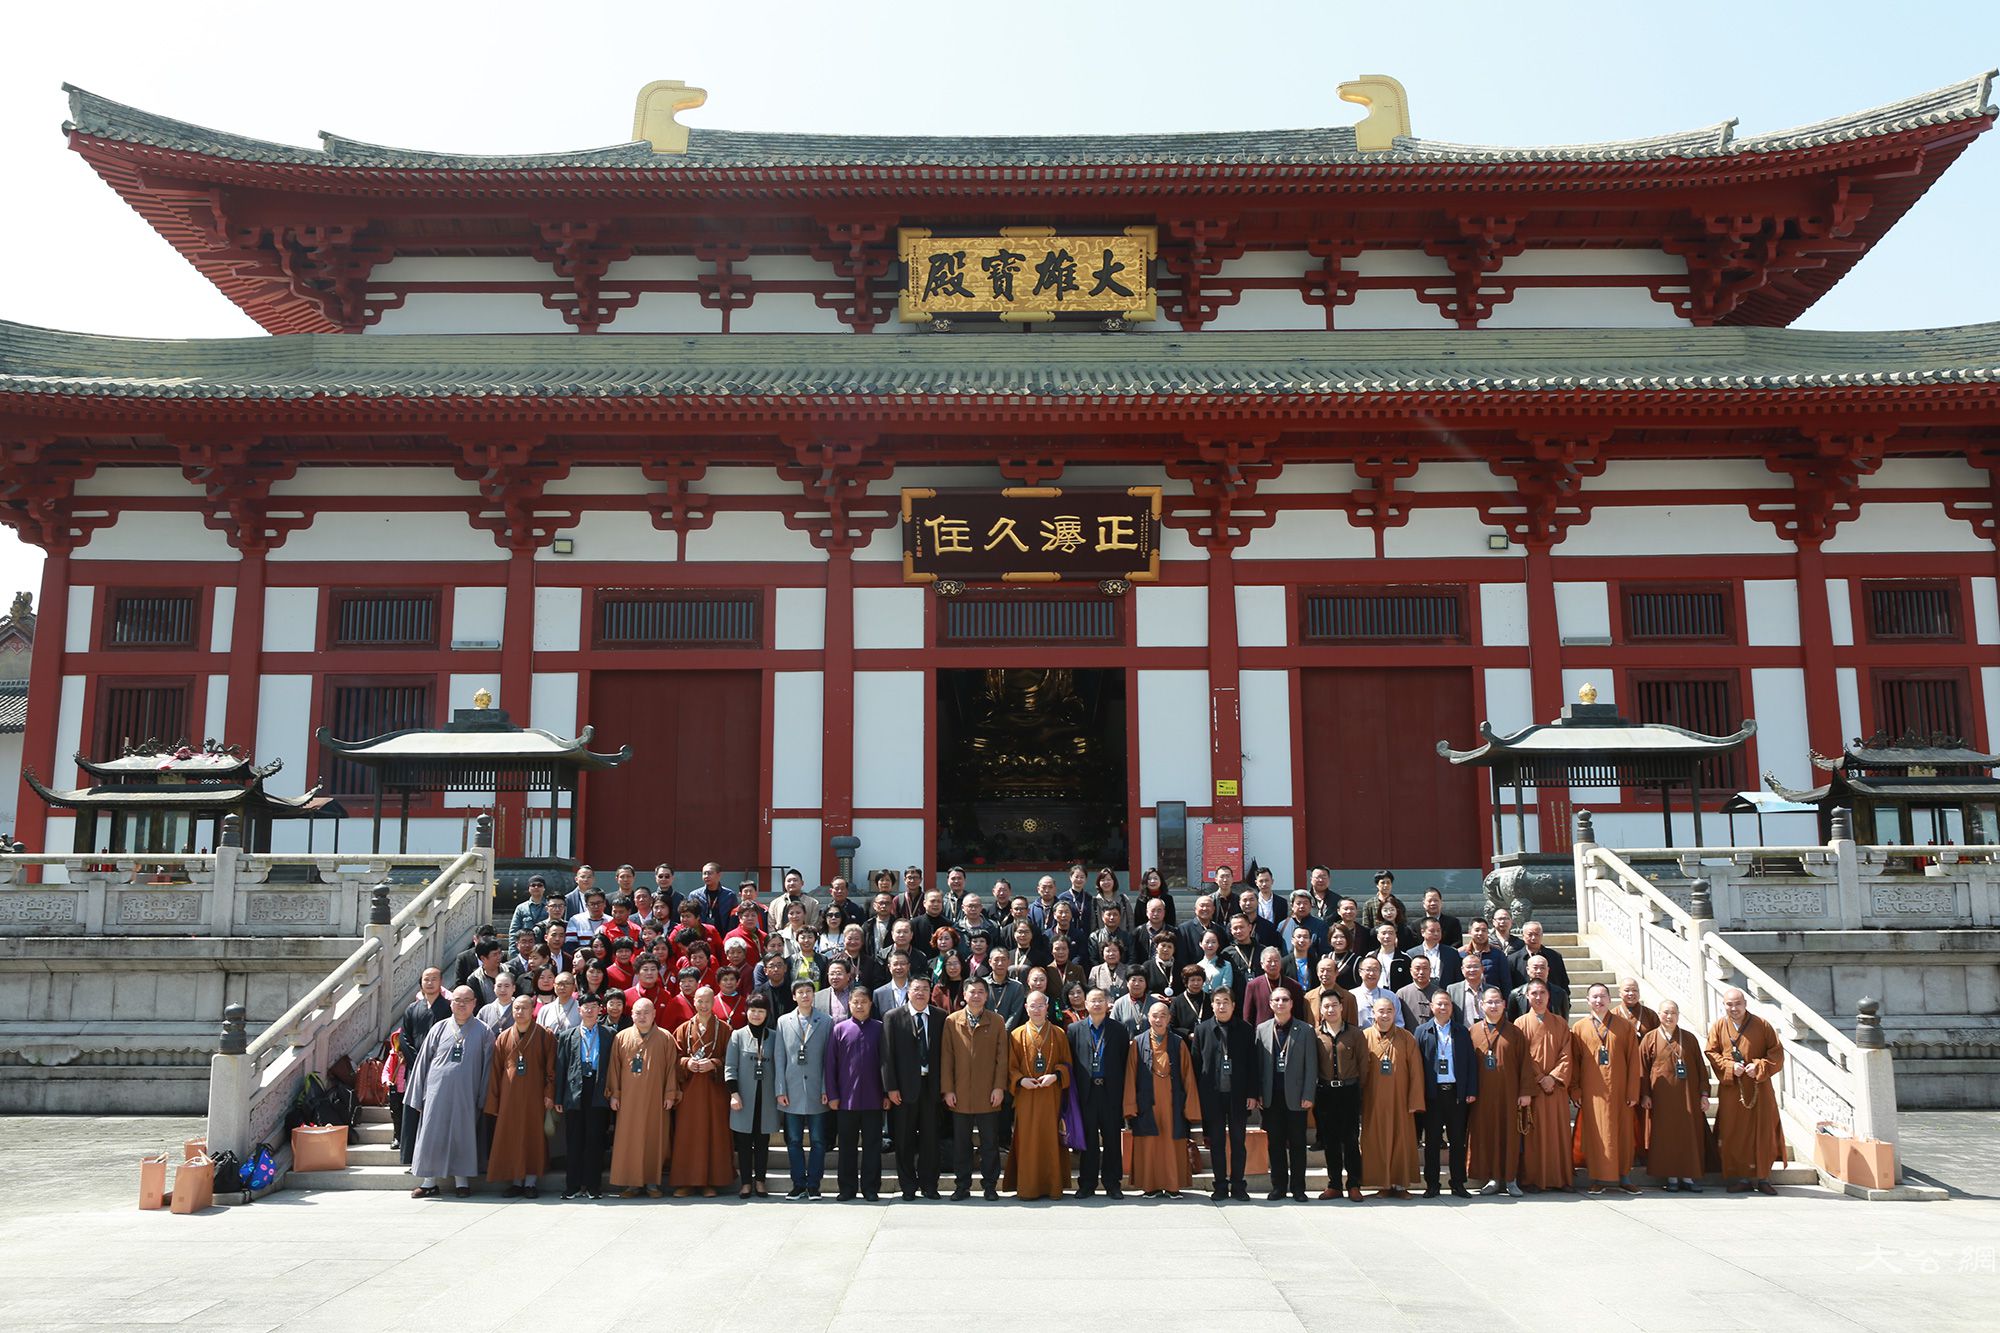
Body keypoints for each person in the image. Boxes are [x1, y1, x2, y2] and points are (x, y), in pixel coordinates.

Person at [405, 986, 493, 1199]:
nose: (461, 1004)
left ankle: (462, 1181)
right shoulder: (439, 1028)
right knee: (431, 1134)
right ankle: (428, 1182)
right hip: (437, 1093)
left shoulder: (484, 1031)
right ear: (451, 1003)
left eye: (466, 1000)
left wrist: (483, 1096)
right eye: (457, 1000)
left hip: (467, 1092)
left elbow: (488, 1067)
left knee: (463, 1134)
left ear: (474, 1003)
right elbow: (422, 1062)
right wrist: (418, 1094)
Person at [1707, 987, 1786, 1194]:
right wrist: (1730, 1067)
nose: (1734, 1008)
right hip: (1733, 1089)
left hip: (1759, 1086)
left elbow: (1777, 1054)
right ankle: (1741, 1177)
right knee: (1736, 1132)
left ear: (1745, 1004)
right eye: (1729, 1004)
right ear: (1724, 1005)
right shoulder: (1719, 1027)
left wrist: (1759, 1067)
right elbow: (1711, 1052)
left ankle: (1763, 1177)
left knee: (1764, 1130)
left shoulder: (1762, 1025)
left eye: (1737, 1004)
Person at [941, 974, 1009, 1200]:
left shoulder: (996, 1021)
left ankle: (990, 1186)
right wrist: (948, 1089)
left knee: (990, 1143)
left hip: (988, 1093)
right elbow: (947, 1058)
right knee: (962, 1144)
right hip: (959, 1094)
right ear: (965, 995)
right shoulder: (952, 1021)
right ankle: (962, 1186)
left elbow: (1002, 1058)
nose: (976, 996)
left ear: (987, 995)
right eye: (972, 992)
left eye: (981, 992)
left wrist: (999, 1087)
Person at [605, 997, 680, 1198]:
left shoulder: (665, 1038)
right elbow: (614, 1069)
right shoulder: (621, 1037)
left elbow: (672, 1068)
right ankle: (631, 1184)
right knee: (629, 1139)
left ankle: (651, 1183)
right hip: (628, 1101)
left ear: (654, 1013)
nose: (642, 1016)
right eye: (638, 1012)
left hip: (656, 1099)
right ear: (631, 1015)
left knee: (654, 1138)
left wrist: (670, 1094)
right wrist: (615, 1094)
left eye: (646, 1012)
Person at [1571, 982, 1642, 1194]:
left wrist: (1632, 1092)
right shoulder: (1579, 1028)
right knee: (1596, 1136)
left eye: (1602, 996)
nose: (1599, 1001)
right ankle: (1598, 1178)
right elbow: (1574, 1063)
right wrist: (1575, 1090)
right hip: (1593, 1093)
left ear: (1610, 1000)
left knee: (1622, 1134)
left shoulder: (1624, 1026)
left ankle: (1624, 1176)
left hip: (1620, 1091)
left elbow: (1633, 1060)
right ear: (1588, 1001)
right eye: (1594, 997)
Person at [1124, 998, 1200, 1198]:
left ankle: (1173, 1185)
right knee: (1149, 1144)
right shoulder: (1137, 1043)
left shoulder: (1178, 1043)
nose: (1159, 1019)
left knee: (1171, 1143)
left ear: (1169, 1019)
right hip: (1147, 1102)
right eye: (1155, 1015)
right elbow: (1131, 1075)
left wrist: (1190, 1107)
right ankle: (1150, 1186)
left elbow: (1188, 1076)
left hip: (1172, 1103)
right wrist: (1130, 1105)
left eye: (1163, 1016)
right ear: (1148, 1018)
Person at [485, 993, 556, 1198]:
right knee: (512, 1136)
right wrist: (495, 1101)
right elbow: (496, 1071)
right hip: (509, 1097)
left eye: (524, 1008)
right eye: (516, 1008)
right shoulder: (504, 1036)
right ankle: (516, 1181)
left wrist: (549, 1094)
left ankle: (531, 1183)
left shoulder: (545, 1035)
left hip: (535, 1096)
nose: (520, 1011)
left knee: (532, 1136)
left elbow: (551, 1069)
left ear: (532, 1010)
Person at [882, 974, 946, 1200]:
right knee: (904, 1140)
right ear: (908, 992)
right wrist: (891, 1088)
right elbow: (887, 1056)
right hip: (903, 1089)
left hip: (931, 1087)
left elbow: (945, 1055)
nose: (920, 993)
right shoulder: (893, 1017)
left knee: (930, 1140)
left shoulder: (940, 1017)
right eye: (916, 988)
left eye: (925, 989)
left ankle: (930, 1185)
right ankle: (908, 1186)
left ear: (930, 993)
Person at [1191, 985, 1257, 1202]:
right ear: (1211, 1005)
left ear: (1234, 1005)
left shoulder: (1246, 1030)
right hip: (1213, 1096)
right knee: (1216, 1143)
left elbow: (1252, 1064)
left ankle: (1238, 1185)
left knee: (1238, 1142)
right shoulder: (1202, 1030)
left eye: (1226, 1002)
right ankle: (1220, 1186)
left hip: (1238, 1096)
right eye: (1217, 1002)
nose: (1221, 1006)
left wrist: (1252, 1093)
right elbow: (1196, 1065)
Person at [1066, 986, 1131, 1199]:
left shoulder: (1118, 1030)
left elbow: (1124, 1062)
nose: (1096, 1004)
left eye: (1100, 1000)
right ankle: (1087, 1184)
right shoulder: (1075, 1030)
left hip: (1111, 1093)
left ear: (1107, 1004)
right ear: (1085, 1004)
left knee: (1112, 1139)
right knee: (1089, 1141)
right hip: (1087, 1093)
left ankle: (1113, 1184)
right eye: (1092, 1000)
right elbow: (1071, 1063)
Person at [1638, 999, 1709, 1192]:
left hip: (1687, 1096)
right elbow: (1642, 1070)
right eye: (1665, 1013)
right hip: (1661, 1098)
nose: (1669, 1017)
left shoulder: (1689, 1038)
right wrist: (1645, 1095)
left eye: (1673, 1013)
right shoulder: (1650, 1038)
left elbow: (1701, 1069)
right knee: (1666, 1136)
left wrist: (1704, 1094)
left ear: (1678, 1015)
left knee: (1688, 1135)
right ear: (1659, 1015)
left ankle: (1688, 1176)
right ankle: (1671, 1177)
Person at [825, 986, 888, 1201]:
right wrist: (832, 1094)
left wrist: (887, 1094)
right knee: (847, 1146)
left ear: (871, 1004)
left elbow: (886, 1064)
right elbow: (830, 1065)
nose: (859, 1005)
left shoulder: (880, 1029)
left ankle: (871, 1188)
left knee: (872, 1146)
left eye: (864, 1001)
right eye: (855, 1002)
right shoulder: (839, 1029)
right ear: (849, 1004)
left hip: (874, 1098)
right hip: (846, 1100)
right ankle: (847, 1188)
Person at [1007, 991, 1071, 1200]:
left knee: (1050, 1139)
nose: (1036, 1009)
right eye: (1032, 1006)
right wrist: (1020, 1080)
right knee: (1027, 1140)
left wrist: (1055, 1076)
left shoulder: (1059, 1034)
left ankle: (1052, 1187)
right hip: (1027, 1095)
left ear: (1047, 1006)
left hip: (1050, 1095)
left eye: (1040, 1005)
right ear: (1026, 1008)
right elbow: (1010, 1067)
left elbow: (1067, 1064)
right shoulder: (1016, 1034)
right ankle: (1028, 1187)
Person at [773, 978, 833, 1199]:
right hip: (792, 1089)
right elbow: (779, 1056)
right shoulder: (783, 1021)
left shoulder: (826, 1021)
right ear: (793, 996)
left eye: (809, 991)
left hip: (818, 1089)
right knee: (794, 1140)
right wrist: (780, 1089)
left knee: (818, 1141)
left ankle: (814, 1184)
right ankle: (798, 1183)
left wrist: (828, 1087)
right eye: (801, 992)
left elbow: (829, 1059)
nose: (805, 995)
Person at [1414, 991, 1477, 1198]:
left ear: (1452, 1007)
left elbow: (1470, 1063)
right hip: (1432, 1095)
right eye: (1439, 1004)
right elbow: (1416, 1067)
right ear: (1431, 1007)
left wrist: (1470, 1090)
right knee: (1431, 1141)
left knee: (1457, 1141)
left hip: (1456, 1094)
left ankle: (1458, 1183)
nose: (1443, 1008)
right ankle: (1432, 1184)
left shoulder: (1461, 1032)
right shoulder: (1422, 1031)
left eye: (1447, 1004)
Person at [1358, 995, 1423, 1198]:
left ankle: (1401, 1185)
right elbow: (1359, 1072)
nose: (1385, 1015)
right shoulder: (1365, 1036)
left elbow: (1416, 1071)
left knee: (1401, 1140)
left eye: (1389, 1011)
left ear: (1395, 1013)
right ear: (1373, 1014)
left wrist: (1414, 1100)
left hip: (1400, 1100)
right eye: (1381, 1011)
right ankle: (1382, 1184)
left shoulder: (1406, 1037)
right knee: (1376, 1141)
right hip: (1373, 1101)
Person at [671, 986, 733, 1196]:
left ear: (713, 1002)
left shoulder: (725, 1029)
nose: (703, 1005)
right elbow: (674, 1058)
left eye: (707, 1001)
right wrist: (686, 1063)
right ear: (694, 1002)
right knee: (687, 1134)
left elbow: (732, 1061)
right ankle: (686, 1181)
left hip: (715, 1092)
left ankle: (710, 1181)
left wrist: (714, 1063)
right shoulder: (682, 1029)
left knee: (713, 1134)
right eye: (699, 1001)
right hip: (689, 1092)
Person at [1467, 987, 1529, 1196]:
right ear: (1481, 1005)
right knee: (1487, 1135)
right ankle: (1493, 1178)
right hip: (1483, 1096)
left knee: (1509, 1136)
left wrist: (1525, 1092)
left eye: (1497, 1002)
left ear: (1504, 1004)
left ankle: (1510, 1179)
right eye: (1489, 1002)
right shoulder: (1473, 1031)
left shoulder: (1515, 1032)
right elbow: (1467, 1066)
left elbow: (1525, 1064)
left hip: (1509, 1094)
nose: (1493, 1006)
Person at [1312, 972, 1367, 1200]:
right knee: (1331, 1140)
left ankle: (1354, 1183)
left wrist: (1361, 1093)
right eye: (1326, 1006)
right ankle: (1334, 1183)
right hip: (1325, 1093)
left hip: (1349, 1091)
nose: (1331, 1010)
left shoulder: (1355, 1033)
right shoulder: (1315, 1035)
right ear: (1321, 1010)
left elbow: (1364, 1066)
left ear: (1341, 1007)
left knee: (1351, 1140)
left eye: (1335, 1005)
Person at [1255, 988, 1314, 1202]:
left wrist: (1309, 1093)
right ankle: (1278, 1187)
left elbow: (1311, 1065)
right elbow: (1259, 1066)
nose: (1281, 1003)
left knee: (1298, 1144)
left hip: (1297, 1096)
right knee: (1275, 1144)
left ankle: (1299, 1188)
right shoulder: (1261, 1029)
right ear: (1270, 1004)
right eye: (1276, 999)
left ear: (1291, 1004)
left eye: (1285, 999)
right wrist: (1259, 1093)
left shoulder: (1305, 1029)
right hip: (1271, 1097)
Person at [1514, 980, 1573, 1192]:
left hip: (1555, 1089)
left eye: (1542, 993)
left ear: (1549, 996)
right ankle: (1533, 1179)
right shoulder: (1520, 1024)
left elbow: (1567, 1054)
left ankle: (1560, 1179)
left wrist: (1554, 1078)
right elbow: (1521, 1058)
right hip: (1534, 1089)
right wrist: (1540, 1077)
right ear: (1527, 997)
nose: (1538, 997)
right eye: (1534, 993)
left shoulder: (1560, 1023)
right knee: (1534, 1136)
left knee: (1559, 1134)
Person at [555, 993, 613, 1199]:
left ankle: (592, 1186)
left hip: (598, 1089)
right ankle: (572, 1186)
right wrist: (559, 1098)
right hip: (574, 1090)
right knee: (574, 1139)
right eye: (585, 1007)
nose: (589, 1010)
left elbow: (614, 1068)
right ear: (578, 1010)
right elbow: (560, 1067)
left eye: (593, 1006)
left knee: (595, 1139)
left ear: (600, 1010)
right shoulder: (567, 1036)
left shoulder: (609, 1034)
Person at [724, 993, 780, 1198]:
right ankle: (746, 1182)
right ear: (746, 1012)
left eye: (761, 1011)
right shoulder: (737, 1035)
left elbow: (780, 1065)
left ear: (767, 1013)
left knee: (763, 1141)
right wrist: (734, 1093)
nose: (756, 1015)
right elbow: (730, 1067)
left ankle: (761, 1181)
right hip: (743, 1098)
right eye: (753, 1010)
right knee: (745, 1142)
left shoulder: (774, 1036)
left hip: (766, 1098)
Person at [395, 968, 451, 1163]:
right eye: (426, 979)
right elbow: (404, 1037)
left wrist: (434, 1060)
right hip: (415, 1068)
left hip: (440, 1066)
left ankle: (436, 1158)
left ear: (441, 982)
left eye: (434, 979)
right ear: (421, 983)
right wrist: (417, 1060)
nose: (430, 983)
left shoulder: (448, 1008)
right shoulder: (412, 1009)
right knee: (412, 1110)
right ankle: (411, 1158)